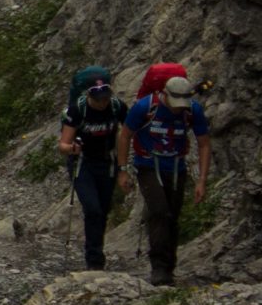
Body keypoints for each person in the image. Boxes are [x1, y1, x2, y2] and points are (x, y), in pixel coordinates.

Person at [124, 74, 212, 286]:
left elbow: (204, 144)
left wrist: (201, 180)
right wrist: (121, 170)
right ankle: (160, 269)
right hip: (147, 165)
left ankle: (168, 267)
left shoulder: (192, 110)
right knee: (160, 212)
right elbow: (125, 135)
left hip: (176, 167)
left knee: (172, 215)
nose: (177, 109)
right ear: (164, 94)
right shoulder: (145, 108)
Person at [58, 77, 127, 269]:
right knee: (93, 208)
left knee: (103, 211)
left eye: (105, 98)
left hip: (107, 162)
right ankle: (94, 260)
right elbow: (63, 145)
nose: (102, 103)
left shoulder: (116, 107)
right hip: (83, 163)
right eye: (98, 99)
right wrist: (73, 148)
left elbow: (128, 133)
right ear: (89, 95)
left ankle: (96, 252)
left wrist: (123, 168)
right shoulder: (78, 110)